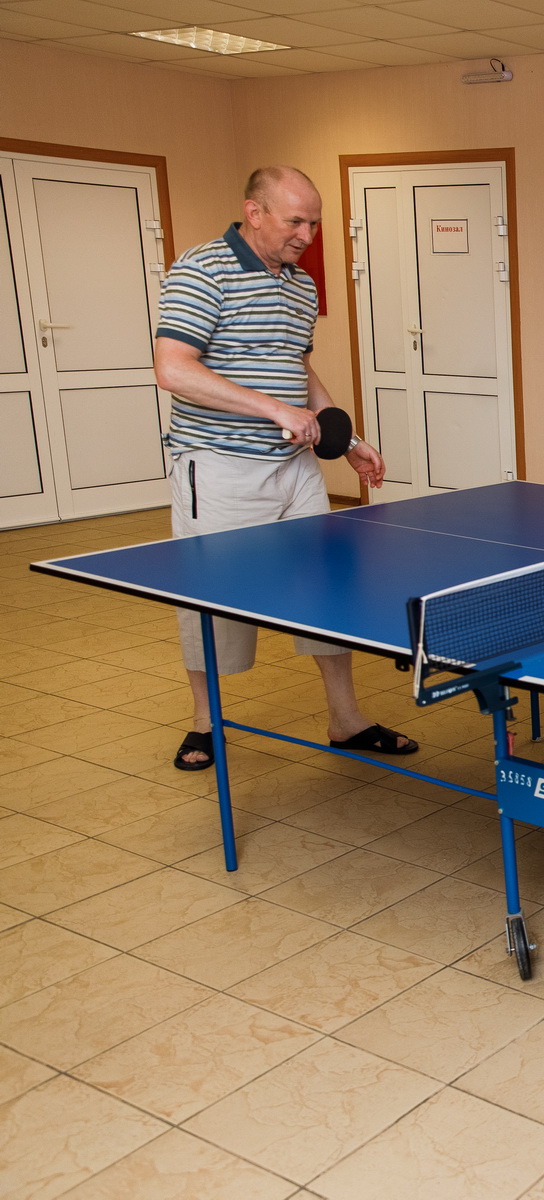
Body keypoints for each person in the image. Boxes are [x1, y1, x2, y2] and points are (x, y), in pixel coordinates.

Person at [154, 165, 419, 770]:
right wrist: (273, 409)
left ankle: (346, 719)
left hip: (294, 468)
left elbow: (295, 366)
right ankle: (205, 723)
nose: (307, 234)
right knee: (212, 597)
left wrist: (345, 436)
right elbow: (174, 369)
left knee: (326, 593)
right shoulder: (200, 270)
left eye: (314, 223)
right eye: (296, 221)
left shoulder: (300, 285)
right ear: (254, 212)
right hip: (219, 467)